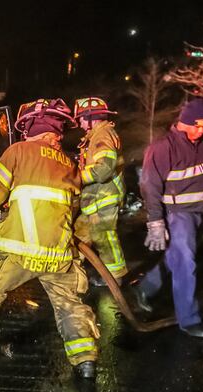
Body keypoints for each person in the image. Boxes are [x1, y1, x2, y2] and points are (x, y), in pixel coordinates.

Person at [0, 98, 100, 379]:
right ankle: (85, 359)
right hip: (59, 254)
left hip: (18, 252)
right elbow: (71, 209)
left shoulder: (18, 151)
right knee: (68, 302)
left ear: (28, 128)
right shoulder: (70, 165)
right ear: (57, 133)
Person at [135, 97, 203, 338]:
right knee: (186, 263)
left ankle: (146, 289)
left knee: (177, 257)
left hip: (198, 213)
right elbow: (150, 185)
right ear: (183, 122)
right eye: (196, 125)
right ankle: (189, 320)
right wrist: (156, 222)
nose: (201, 130)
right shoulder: (163, 147)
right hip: (176, 215)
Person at [72, 97, 128, 286]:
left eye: (81, 118)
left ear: (90, 117)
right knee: (77, 237)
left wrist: (77, 177)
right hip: (93, 200)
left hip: (103, 198)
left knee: (105, 239)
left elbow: (104, 169)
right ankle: (73, 279)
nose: (79, 122)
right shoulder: (96, 136)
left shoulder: (103, 135)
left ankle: (116, 283)